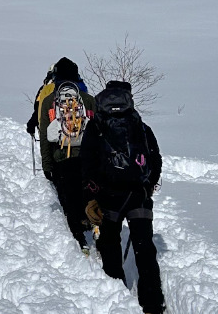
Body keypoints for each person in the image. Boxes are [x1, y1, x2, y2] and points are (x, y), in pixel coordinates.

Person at [78, 80, 164, 314]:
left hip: (109, 196)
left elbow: (87, 163)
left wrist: (91, 196)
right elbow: (155, 160)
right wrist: (148, 186)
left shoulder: (97, 126)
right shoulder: (141, 126)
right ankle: (153, 304)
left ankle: (116, 294)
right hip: (139, 195)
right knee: (144, 249)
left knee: (109, 244)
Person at [25, 57, 96, 252]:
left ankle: (79, 239)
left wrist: (47, 166)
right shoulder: (87, 98)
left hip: (61, 156)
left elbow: (46, 135)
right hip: (86, 156)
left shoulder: (50, 100)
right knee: (84, 191)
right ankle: (88, 222)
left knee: (68, 196)